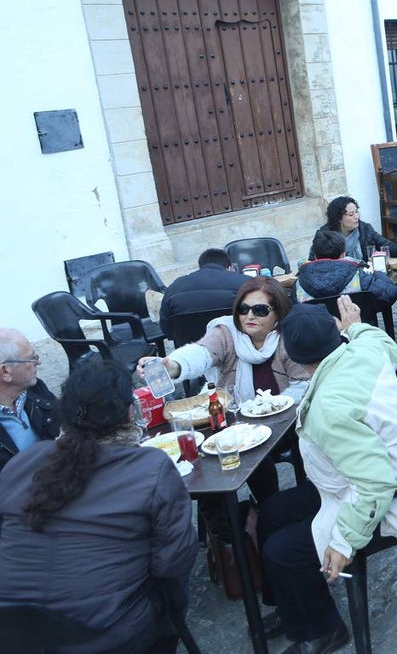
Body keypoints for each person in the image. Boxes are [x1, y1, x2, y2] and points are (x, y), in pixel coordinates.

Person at [260, 298, 397, 654]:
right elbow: (382, 342)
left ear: (293, 356)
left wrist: (343, 542)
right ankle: (291, 606)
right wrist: (355, 325)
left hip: (386, 497)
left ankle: (324, 630)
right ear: (335, 333)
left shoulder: (330, 407)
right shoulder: (360, 350)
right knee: (272, 512)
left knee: (281, 551)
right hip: (351, 478)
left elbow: (375, 483)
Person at [0, 361, 197, 654]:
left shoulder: (24, 461)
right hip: (105, 634)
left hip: (15, 635)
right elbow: (173, 562)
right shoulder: (150, 468)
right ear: (130, 412)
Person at [143, 277, 310, 500]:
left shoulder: (288, 337)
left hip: (282, 423)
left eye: (260, 310)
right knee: (204, 458)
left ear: (278, 314)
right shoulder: (227, 332)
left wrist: (268, 408)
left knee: (254, 455)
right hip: (231, 421)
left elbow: (302, 384)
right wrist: (172, 365)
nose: (249, 316)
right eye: (243, 309)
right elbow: (201, 353)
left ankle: (265, 508)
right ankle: (226, 518)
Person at [0, 329, 59, 474]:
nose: (38, 362)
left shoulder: (36, 389)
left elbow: (66, 423)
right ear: (5, 372)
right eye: (31, 358)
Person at [297, 230, 397, 307]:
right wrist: (375, 272)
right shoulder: (357, 275)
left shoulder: (300, 283)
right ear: (343, 254)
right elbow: (389, 292)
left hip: (318, 328)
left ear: (315, 255)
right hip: (356, 325)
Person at [158, 248, 246, 338]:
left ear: (200, 266)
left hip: (190, 345)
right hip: (236, 343)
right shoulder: (244, 282)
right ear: (229, 267)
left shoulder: (174, 287)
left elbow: (166, 329)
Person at [313, 196, 397, 264]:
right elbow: (314, 262)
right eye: (351, 214)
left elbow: (391, 249)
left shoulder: (365, 229)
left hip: (363, 276)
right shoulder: (324, 235)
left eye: (357, 212)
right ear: (339, 218)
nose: (357, 217)